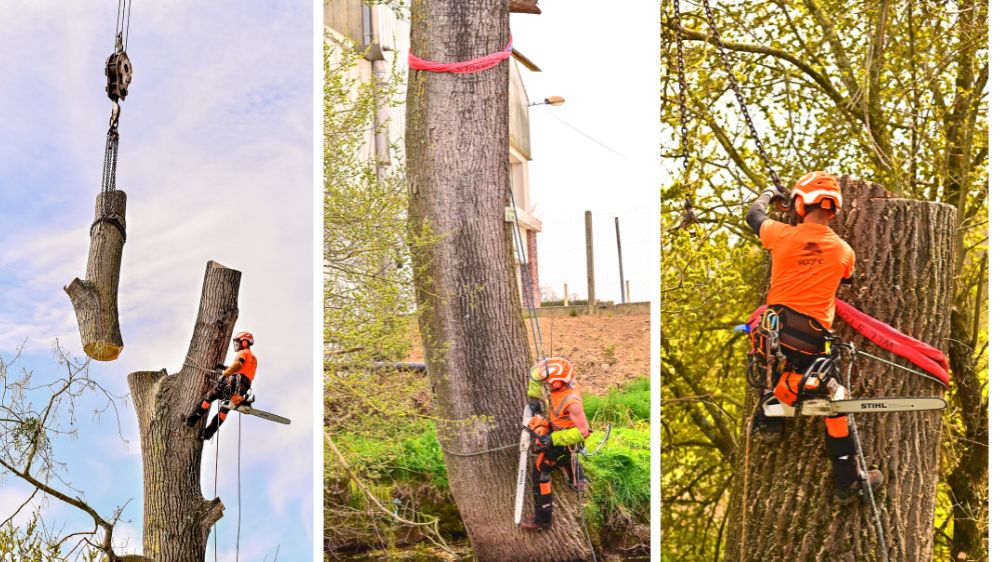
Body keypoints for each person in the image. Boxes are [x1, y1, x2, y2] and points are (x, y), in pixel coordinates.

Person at [746, 172, 884, 504]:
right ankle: (847, 479)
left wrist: (768, 194)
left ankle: (770, 414)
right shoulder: (843, 251)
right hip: (811, 345)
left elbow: (754, 215)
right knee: (837, 399)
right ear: (833, 208)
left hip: (774, 337)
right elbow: (847, 279)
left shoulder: (781, 235)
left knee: (793, 371)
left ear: (799, 203)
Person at [519, 357, 591, 531]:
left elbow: (583, 432)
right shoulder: (562, 381)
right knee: (564, 458)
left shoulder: (572, 403)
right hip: (558, 431)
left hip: (564, 440)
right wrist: (534, 399)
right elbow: (536, 375)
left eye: (548, 384)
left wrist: (551, 439)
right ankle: (578, 479)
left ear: (558, 384)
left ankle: (543, 520)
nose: (547, 386)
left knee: (540, 472)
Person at [184, 331, 258, 441]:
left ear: (245, 342)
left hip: (233, 383)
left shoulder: (243, 353)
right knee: (224, 410)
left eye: (238, 342)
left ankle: (191, 420)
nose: (236, 345)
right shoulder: (253, 358)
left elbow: (238, 365)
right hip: (243, 387)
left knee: (209, 397)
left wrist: (225, 374)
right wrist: (224, 368)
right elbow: (243, 370)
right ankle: (207, 434)